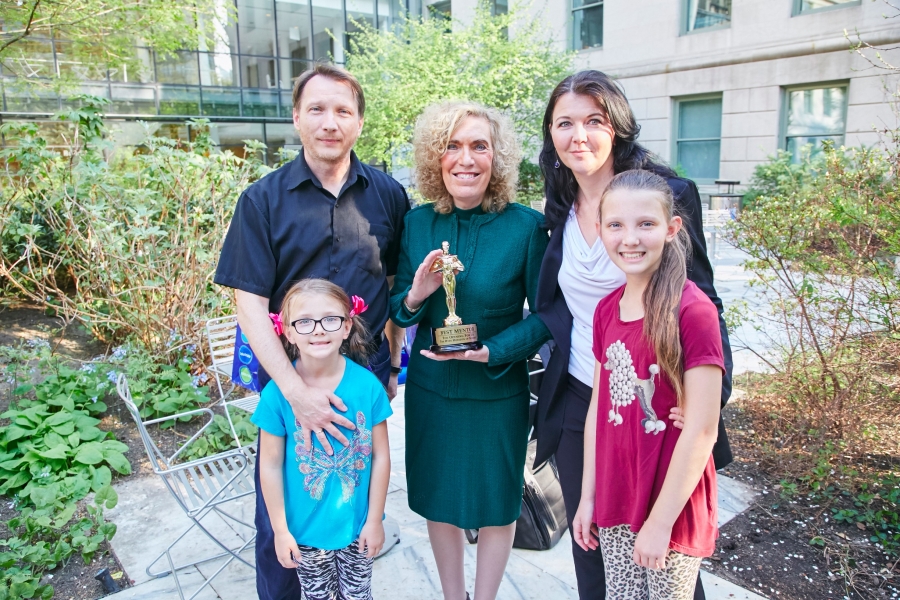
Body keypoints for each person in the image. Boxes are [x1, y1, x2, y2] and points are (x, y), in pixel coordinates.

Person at [532, 70, 734, 600]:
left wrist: (705, 400)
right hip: (585, 399)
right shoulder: (558, 208)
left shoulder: (665, 196)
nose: (578, 135)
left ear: (617, 126)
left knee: (665, 560)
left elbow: (704, 301)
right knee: (594, 549)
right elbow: (555, 307)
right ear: (551, 134)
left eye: (594, 121)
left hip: (657, 404)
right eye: (564, 123)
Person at [213, 62, 409, 600]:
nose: (330, 122)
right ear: (297, 117)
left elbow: (393, 284)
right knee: (287, 510)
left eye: (343, 110)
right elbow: (249, 304)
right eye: (317, 109)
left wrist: (392, 363)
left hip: (362, 377)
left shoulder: (388, 195)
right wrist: (295, 393)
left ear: (359, 121)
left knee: (355, 500)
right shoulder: (262, 200)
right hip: (290, 377)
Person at [389, 101, 551, 600]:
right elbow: (398, 313)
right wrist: (416, 295)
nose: (466, 159)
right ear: (435, 158)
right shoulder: (417, 224)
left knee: (497, 504)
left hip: (496, 392)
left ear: (496, 157)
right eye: (452, 146)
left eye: (479, 146)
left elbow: (547, 316)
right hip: (432, 392)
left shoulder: (526, 227)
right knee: (439, 501)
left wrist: (493, 351)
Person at [571, 170, 722, 599]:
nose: (630, 238)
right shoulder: (605, 311)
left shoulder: (693, 311)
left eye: (646, 224)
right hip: (616, 496)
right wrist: (587, 497)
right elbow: (598, 412)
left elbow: (702, 430)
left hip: (670, 505)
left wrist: (659, 523)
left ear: (671, 229)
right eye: (616, 225)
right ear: (600, 229)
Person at [254, 279, 391, 600]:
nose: (317, 330)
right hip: (304, 533)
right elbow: (269, 466)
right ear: (287, 332)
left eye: (330, 319)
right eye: (304, 322)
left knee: (359, 595)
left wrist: (375, 520)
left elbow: (381, 456)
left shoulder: (368, 386)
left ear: (347, 326)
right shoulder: (276, 395)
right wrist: (280, 531)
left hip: (357, 528)